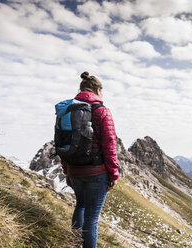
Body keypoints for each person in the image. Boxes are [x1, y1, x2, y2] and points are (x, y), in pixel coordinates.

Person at [61, 71, 119, 248]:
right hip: (96, 172)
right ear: (98, 90)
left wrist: (67, 170)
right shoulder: (102, 111)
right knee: (92, 218)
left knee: (80, 206)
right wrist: (113, 174)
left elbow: (62, 142)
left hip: (75, 170)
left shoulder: (67, 111)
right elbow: (109, 145)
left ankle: (74, 243)